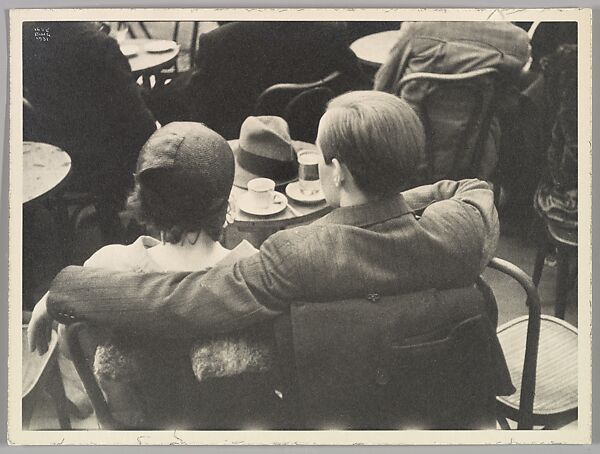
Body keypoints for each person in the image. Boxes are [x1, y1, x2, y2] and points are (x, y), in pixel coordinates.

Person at [30, 92, 503, 426]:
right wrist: (388, 202)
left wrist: (64, 291)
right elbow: (466, 187)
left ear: (335, 173)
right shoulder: (461, 230)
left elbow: (175, 302)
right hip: (443, 405)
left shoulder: (294, 255)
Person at [22, 21, 157, 242]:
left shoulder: (31, 34)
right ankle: (136, 224)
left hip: (51, 153)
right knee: (151, 136)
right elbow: (139, 120)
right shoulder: (99, 45)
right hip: (104, 161)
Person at [145, 21, 369, 139]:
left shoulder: (219, 42)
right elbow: (358, 85)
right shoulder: (329, 31)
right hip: (310, 134)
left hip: (241, 142)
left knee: (164, 99)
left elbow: (201, 115)